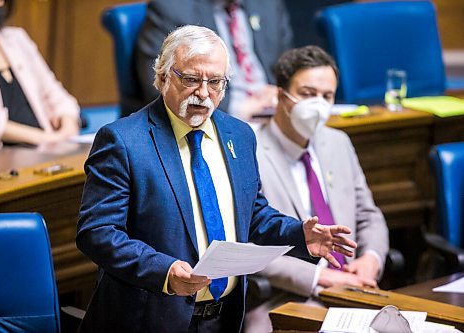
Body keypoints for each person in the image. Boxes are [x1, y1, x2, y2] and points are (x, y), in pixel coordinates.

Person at [76, 26, 357, 333]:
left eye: (215, 83)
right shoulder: (123, 141)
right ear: (162, 76)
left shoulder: (239, 134)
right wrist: (165, 272)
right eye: (192, 79)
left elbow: (253, 215)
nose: (203, 93)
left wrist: (298, 235)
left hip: (223, 318)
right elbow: (98, 232)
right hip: (149, 318)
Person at [244, 46, 389, 332]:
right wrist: (320, 277)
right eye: (308, 94)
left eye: (327, 96)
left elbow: (369, 215)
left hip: (355, 290)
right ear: (280, 95)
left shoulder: (338, 142)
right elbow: (246, 246)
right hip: (284, 297)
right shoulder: (249, 151)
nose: (319, 104)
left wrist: (370, 260)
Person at [134, 0, 293, 120]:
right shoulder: (171, 7)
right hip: (218, 114)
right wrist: (235, 108)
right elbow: (158, 83)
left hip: (274, 107)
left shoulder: (268, 4)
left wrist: (281, 90)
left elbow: (288, 63)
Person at [0, 0, 79, 145]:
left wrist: (68, 123)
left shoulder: (17, 38)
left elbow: (53, 90)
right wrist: (41, 138)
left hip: (47, 147)